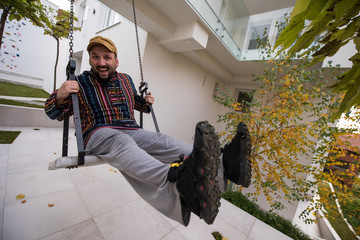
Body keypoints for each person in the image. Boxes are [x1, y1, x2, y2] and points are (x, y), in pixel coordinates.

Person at [45, 36, 252, 226]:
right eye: (95, 57)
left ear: (116, 61)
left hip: (130, 129)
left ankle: (225, 165)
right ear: (90, 60)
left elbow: (137, 103)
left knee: (163, 141)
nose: (101, 63)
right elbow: (53, 112)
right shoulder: (79, 82)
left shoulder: (125, 80)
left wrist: (146, 102)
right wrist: (60, 95)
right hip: (98, 132)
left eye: (106, 57)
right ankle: (178, 182)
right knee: (121, 142)